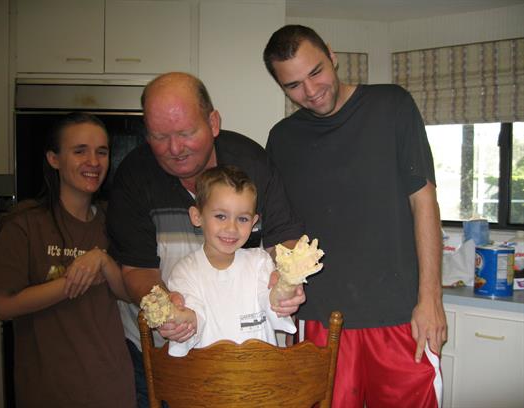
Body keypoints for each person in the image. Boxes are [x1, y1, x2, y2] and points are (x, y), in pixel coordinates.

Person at [263, 25, 447, 408]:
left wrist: (430, 298)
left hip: (398, 317)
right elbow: (282, 230)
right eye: (293, 86)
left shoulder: (392, 106)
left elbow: (424, 202)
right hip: (318, 322)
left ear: (332, 54)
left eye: (316, 72)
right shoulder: (281, 139)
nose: (311, 92)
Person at [106, 72, 305, 407]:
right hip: (165, 356)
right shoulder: (133, 176)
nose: (174, 149)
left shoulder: (252, 164)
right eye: (159, 136)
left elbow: (284, 244)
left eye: (186, 133)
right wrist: (169, 312)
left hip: (252, 365)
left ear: (213, 123)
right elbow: (137, 272)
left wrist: (283, 282)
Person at [0, 113, 136, 408]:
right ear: (54, 159)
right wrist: (72, 281)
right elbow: (5, 306)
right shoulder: (25, 225)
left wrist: (102, 261)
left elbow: (130, 293)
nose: (93, 161)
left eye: (101, 152)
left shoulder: (113, 220)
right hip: (48, 388)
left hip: (111, 384)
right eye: (80, 151)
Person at [166, 165, 297, 357]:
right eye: (221, 216)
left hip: (262, 376)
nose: (231, 228)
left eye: (242, 219)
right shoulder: (185, 271)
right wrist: (178, 319)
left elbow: (269, 300)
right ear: (197, 216)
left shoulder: (260, 262)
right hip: (211, 378)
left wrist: (284, 291)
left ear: (253, 223)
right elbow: (195, 316)